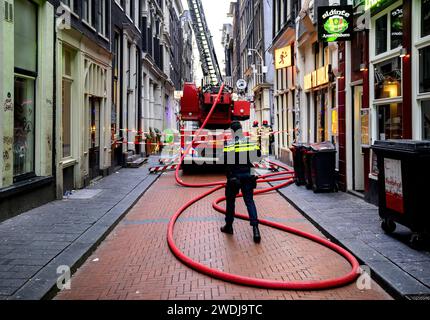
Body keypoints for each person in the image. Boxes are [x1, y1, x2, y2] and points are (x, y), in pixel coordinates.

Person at [221, 121, 262, 243]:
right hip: (248, 176)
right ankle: (256, 230)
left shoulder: (229, 144)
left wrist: (229, 177)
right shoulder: (250, 142)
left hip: (234, 177)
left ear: (232, 132)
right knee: (249, 201)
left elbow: (225, 163)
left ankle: (229, 226)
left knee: (230, 201)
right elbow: (258, 158)